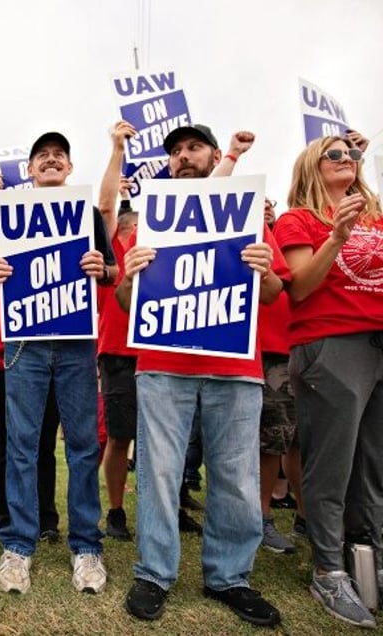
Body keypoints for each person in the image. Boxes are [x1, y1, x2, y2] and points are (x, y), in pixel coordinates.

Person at [117, 124, 286, 627]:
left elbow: (274, 293)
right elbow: (128, 304)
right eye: (175, 151)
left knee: (235, 476)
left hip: (234, 369)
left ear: (215, 156)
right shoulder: (150, 221)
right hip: (163, 368)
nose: (182, 157)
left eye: (193, 148)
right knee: (160, 474)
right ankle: (153, 573)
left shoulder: (249, 214)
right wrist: (129, 277)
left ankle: (230, 577)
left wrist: (265, 270)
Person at [0, 131, 116, 594]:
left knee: (82, 444)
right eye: (42, 155)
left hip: (77, 341)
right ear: (30, 170)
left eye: (59, 155)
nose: (51, 160)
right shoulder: (10, 214)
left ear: (69, 167)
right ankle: (19, 546)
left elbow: (115, 271)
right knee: (21, 446)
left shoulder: (85, 213)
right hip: (26, 343)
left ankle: (86, 547)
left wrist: (102, 268)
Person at [273, 132, 382, 629]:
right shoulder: (301, 220)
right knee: (331, 464)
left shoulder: (376, 217)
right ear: (312, 167)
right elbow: (299, 288)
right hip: (330, 345)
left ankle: (371, 558)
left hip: (377, 343)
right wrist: (336, 236)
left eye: (352, 154)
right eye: (333, 154)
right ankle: (329, 568)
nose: (346, 159)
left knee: (374, 467)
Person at [0, 173, 61, 543]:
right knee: (9, 446)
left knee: (44, 445)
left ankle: (46, 518)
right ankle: (5, 516)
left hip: (50, 365)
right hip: (3, 366)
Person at [96, 125, 141, 541]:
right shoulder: (115, 248)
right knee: (121, 435)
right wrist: (117, 148)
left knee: (164, 440)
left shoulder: (160, 247)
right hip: (118, 352)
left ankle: (170, 506)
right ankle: (114, 511)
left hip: (161, 351)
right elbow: (106, 204)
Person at [257, 197, 303, 555]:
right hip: (242, 352)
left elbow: (281, 288)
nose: (266, 209)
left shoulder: (274, 241)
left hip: (283, 351)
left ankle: (276, 517)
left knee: (282, 437)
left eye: (269, 203)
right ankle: (254, 517)